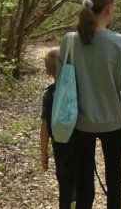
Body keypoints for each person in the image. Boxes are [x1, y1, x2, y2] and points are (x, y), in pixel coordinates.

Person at [59, 0, 121, 209]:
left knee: (84, 187)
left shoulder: (68, 41)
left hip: (79, 125)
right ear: (109, 9)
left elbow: (63, 87)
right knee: (114, 184)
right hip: (112, 124)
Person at [40, 48, 76, 208]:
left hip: (60, 145)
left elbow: (44, 126)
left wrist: (44, 152)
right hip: (79, 141)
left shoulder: (48, 94)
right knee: (82, 180)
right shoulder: (75, 90)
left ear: (48, 72)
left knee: (64, 183)